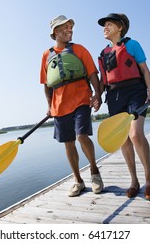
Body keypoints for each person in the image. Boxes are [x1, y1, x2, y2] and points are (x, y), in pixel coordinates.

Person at [40, 15, 104, 197]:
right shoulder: (46, 55)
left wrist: (97, 94)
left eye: (71, 27)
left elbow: (92, 74)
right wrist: (49, 106)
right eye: (65, 27)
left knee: (82, 136)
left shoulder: (79, 49)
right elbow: (46, 84)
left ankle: (94, 172)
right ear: (55, 32)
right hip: (59, 106)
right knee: (68, 144)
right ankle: (78, 181)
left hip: (81, 100)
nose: (70, 30)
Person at [97, 13, 150, 200]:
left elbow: (145, 69)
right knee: (124, 139)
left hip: (135, 92)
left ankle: (149, 178)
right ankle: (134, 181)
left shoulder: (132, 44)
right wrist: (97, 97)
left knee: (135, 134)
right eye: (103, 25)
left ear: (120, 27)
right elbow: (102, 80)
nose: (104, 28)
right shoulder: (103, 53)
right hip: (114, 96)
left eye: (108, 24)